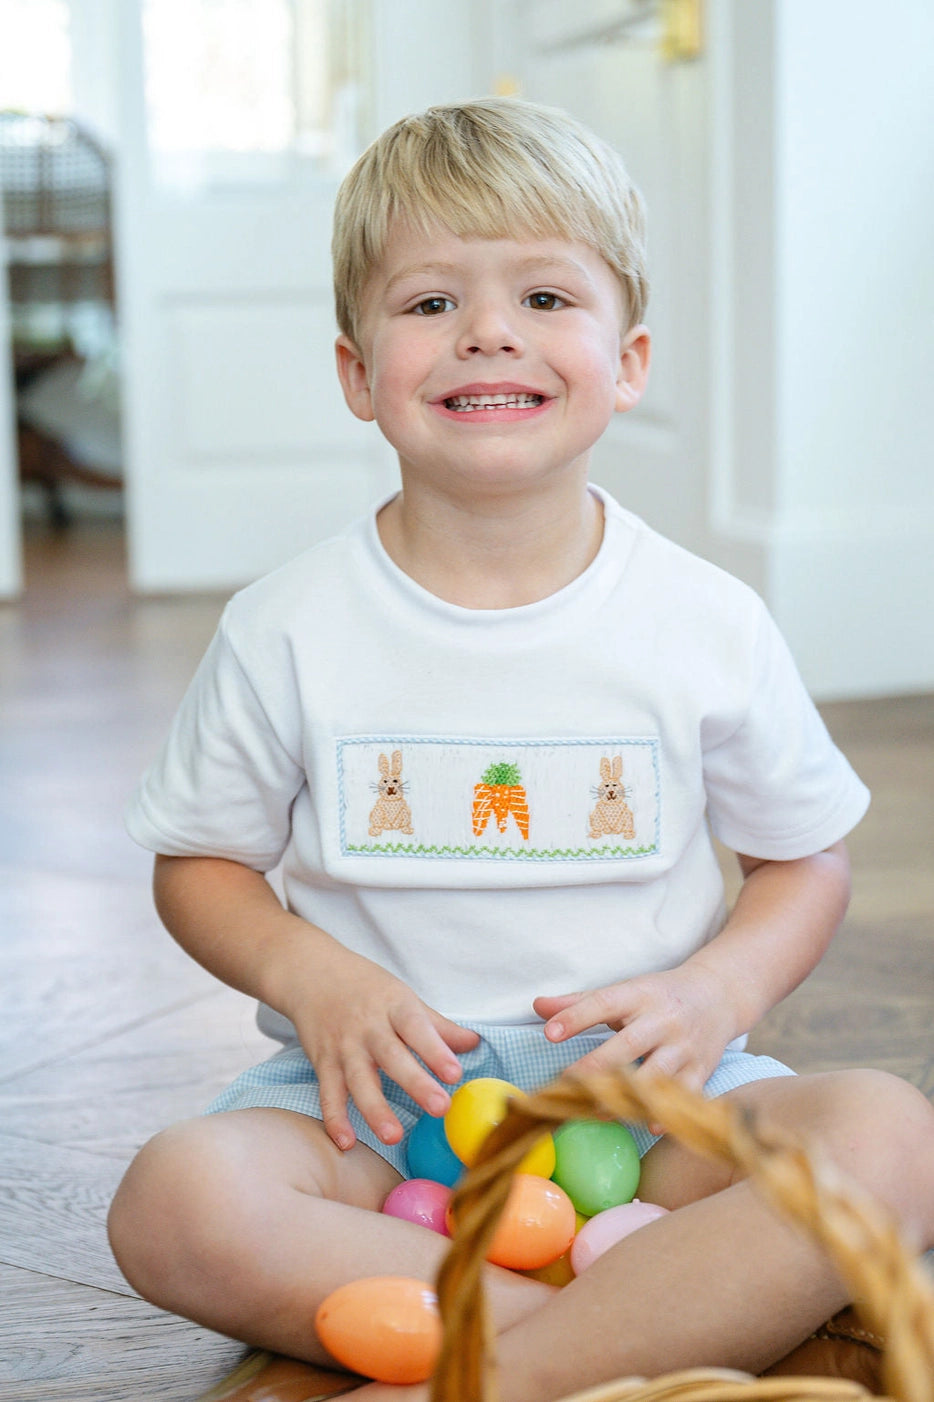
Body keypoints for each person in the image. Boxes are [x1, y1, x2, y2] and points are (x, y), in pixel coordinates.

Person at [108, 98, 934, 1400]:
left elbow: (802, 862)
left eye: (545, 295)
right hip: (376, 1130)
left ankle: (488, 1362)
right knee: (173, 1199)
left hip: (646, 1105)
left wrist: (716, 990)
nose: (488, 329)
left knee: (890, 1134)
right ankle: (628, 1325)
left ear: (629, 359)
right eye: (429, 303)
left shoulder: (705, 622)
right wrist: (312, 978)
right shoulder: (284, 627)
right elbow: (199, 864)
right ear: (352, 370)